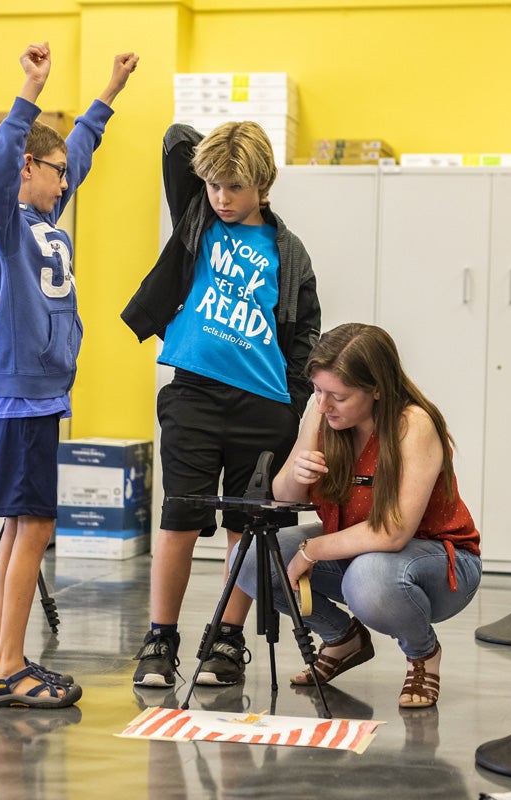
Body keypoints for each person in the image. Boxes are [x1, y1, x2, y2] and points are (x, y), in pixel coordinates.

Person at [0, 42, 138, 708]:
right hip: (24, 390)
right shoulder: (4, 218)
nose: (65, 182)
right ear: (28, 167)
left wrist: (109, 91)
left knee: (24, 528)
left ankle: (2, 660)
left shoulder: (44, 213)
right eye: (53, 173)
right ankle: (8, 666)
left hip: (43, 391)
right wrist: (29, 89)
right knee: (35, 527)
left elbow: (76, 148)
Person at [121, 121, 321, 688]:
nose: (222, 198)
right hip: (193, 394)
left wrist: (294, 403)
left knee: (246, 526)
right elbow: (175, 137)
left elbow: (306, 331)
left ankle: (226, 641)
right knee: (179, 517)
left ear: (263, 185)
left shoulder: (288, 250)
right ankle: (161, 638)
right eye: (213, 184)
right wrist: (223, 151)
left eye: (234, 186)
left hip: (265, 404)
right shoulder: (198, 219)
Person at [235, 322, 482, 708]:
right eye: (317, 390)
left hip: (439, 564)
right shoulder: (322, 413)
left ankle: (422, 654)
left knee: (368, 578)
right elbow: (282, 500)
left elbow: (393, 533)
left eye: (338, 395)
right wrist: (297, 470)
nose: (323, 404)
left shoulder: (413, 425)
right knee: (249, 559)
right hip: (358, 552)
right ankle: (342, 638)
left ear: (378, 389)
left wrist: (311, 550)